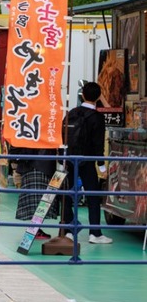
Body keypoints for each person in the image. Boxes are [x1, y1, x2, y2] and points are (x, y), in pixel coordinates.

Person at [64, 81, 112, 244]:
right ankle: (95, 233)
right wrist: (102, 165)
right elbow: (98, 144)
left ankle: (68, 230)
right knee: (93, 196)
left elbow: (62, 137)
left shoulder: (72, 113)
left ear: (82, 95)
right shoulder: (97, 118)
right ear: (98, 97)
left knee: (67, 195)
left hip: (69, 160)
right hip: (88, 161)